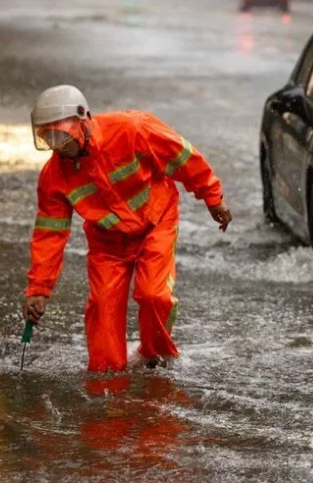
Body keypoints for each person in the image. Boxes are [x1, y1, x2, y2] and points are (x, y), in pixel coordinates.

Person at [22, 85, 233, 372]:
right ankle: (106, 382)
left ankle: (156, 357)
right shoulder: (54, 176)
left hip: (155, 223)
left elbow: (183, 157)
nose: (57, 145)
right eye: (49, 138)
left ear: (83, 121)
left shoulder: (133, 129)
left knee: (153, 295)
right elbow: (50, 233)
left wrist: (212, 197)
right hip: (107, 244)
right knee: (103, 314)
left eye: (61, 135)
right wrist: (39, 289)